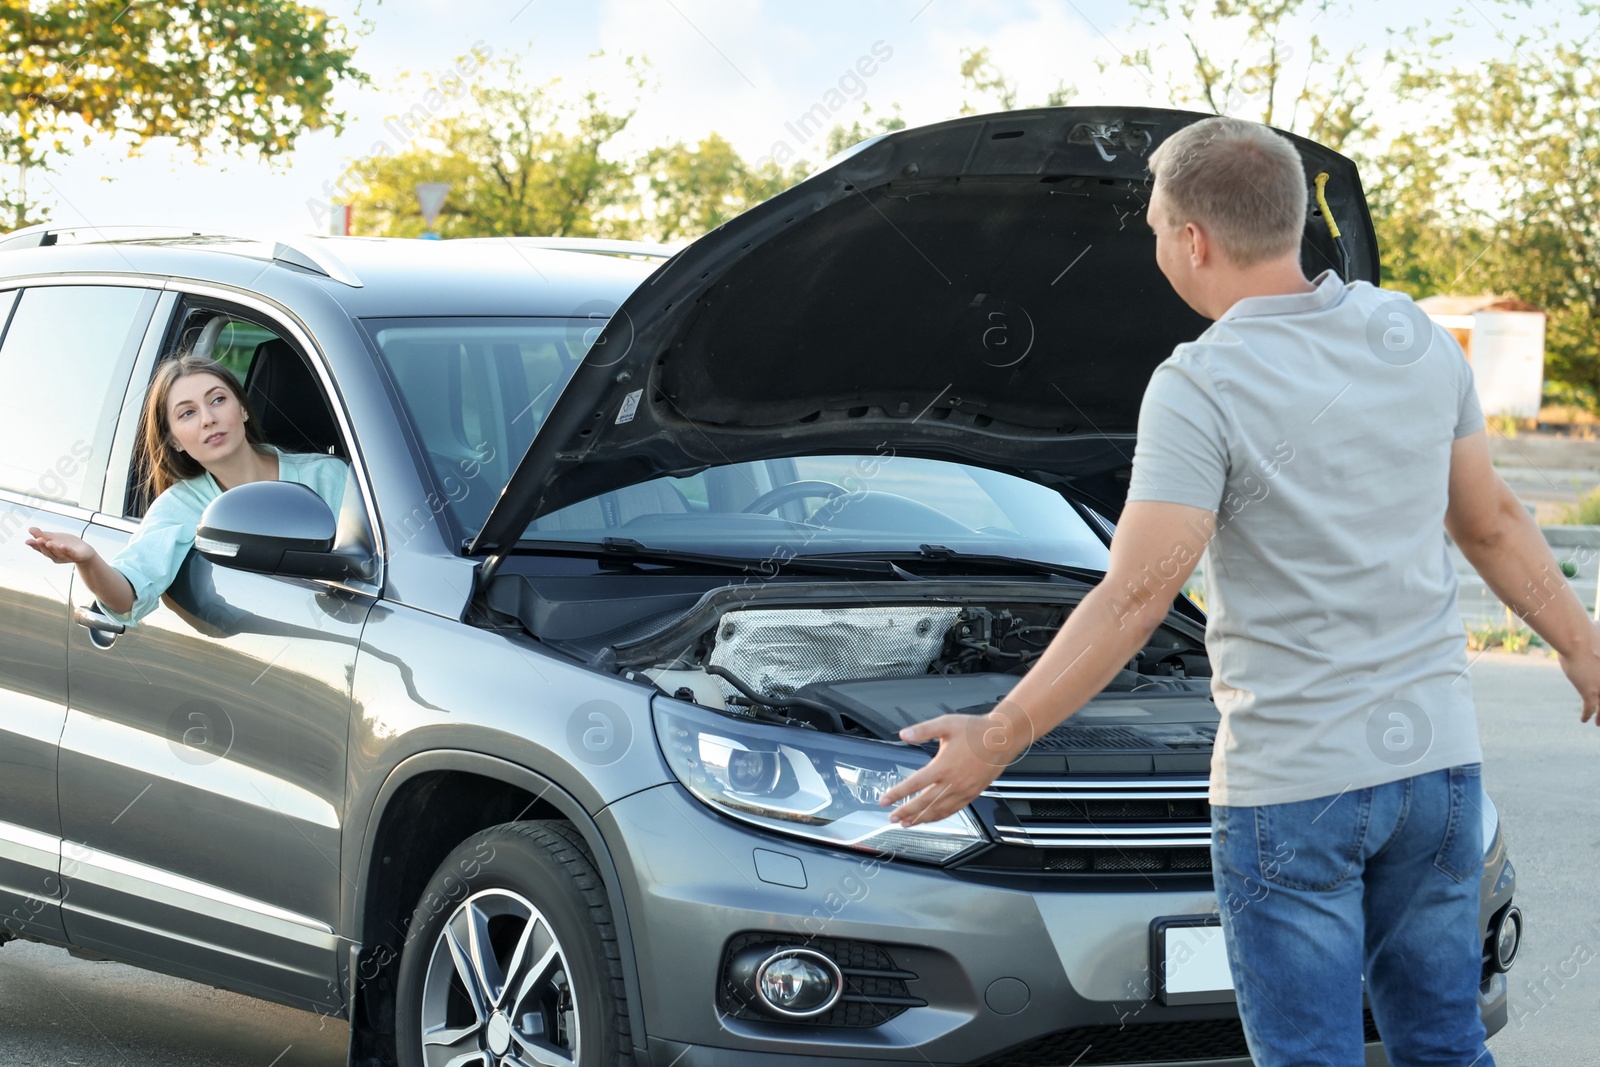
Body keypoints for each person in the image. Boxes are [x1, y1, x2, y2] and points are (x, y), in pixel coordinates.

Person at [881, 115, 1600, 1066]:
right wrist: (1582, 645)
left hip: (1295, 787)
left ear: (1193, 240)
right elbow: (1494, 522)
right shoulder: (1413, 338)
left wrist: (999, 734)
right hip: (1437, 770)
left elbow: (1138, 596)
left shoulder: (1201, 382)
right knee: (1444, 1046)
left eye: (1153, 231)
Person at [26, 353, 349, 624]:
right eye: (188, 413)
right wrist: (88, 559)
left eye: (218, 400)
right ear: (173, 440)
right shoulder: (181, 506)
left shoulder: (330, 475)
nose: (208, 419)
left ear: (244, 409)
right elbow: (126, 598)